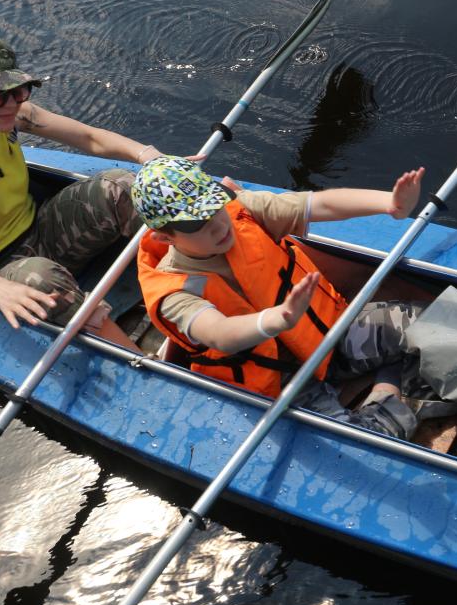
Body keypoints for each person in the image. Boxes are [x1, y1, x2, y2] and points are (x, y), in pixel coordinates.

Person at [0, 34, 169, 349]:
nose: (11, 103)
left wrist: (148, 155)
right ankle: (139, 362)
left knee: (121, 186)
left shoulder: (10, 113)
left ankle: (187, 277)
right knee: (44, 281)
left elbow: (90, 138)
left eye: (17, 91)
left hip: (38, 230)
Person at [131, 155, 426, 440]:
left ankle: (394, 386)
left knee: (427, 325)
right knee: (360, 445)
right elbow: (219, 334)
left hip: (329, 337)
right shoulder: (172, 290)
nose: (218, 225)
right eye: (197, 224)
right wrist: (276, 319)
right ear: (164, 237)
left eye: (214, 207)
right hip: (280, 385)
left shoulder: (241, 211)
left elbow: (317, 203)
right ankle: (388, 390)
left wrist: (390, 203)